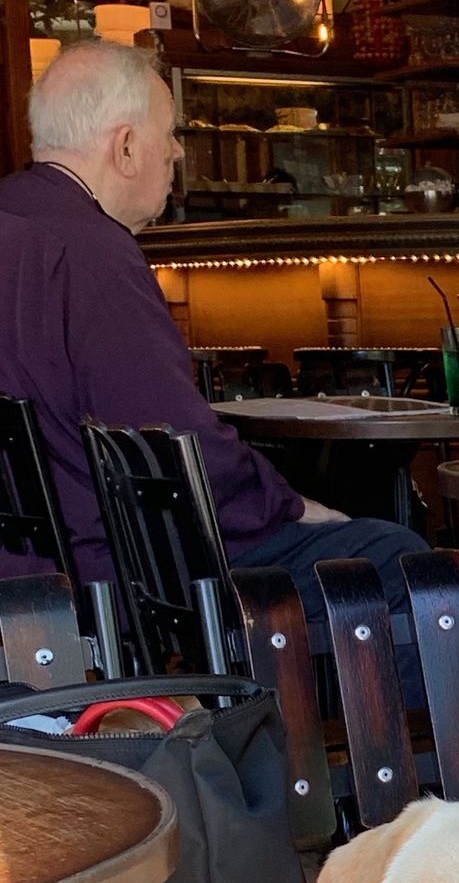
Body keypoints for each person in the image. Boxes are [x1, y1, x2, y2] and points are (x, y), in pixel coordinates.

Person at [0, 40, 426, 604]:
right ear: (125, 147)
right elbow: (171, 442)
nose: (177, 154)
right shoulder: (92, 252)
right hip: (118, 574)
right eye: (170, 134)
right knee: (396, 560)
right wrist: (289, 504)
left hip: (27, 563)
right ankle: (249, 695)